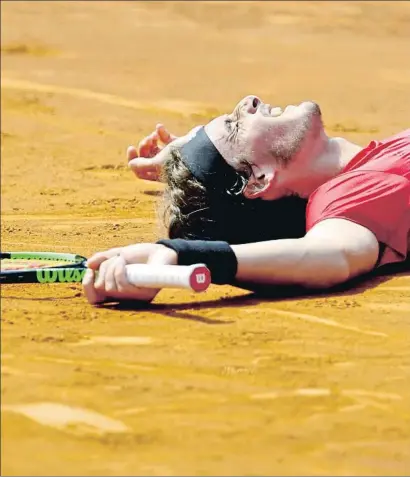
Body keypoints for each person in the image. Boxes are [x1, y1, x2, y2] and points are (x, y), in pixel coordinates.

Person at [82, 95, 410, 305]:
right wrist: (181, 254)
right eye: (235, 126)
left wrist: (186, 155)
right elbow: (329, 256)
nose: (248, 101)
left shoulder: (379, 158)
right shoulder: (347, 197)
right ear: (259, 179)